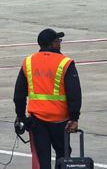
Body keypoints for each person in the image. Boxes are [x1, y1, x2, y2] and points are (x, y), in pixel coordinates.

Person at [13, 28, 81, 169]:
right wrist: (74, 118)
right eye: (58, 40)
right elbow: (74, 93)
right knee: (63, 156)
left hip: (37, 121)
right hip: (60, 120)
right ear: (52, 44)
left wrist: (20, 116)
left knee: (42, 160)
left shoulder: (28, 62)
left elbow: (19, 94)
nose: (60, 43)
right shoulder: (65, 63)